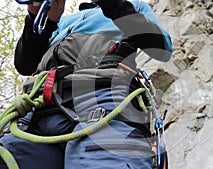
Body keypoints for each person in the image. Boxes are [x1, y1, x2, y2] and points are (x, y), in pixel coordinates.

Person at [0, 0, 172, 169]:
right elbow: (25, 64)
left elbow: (161, 48)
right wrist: (37, 15)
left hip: (101, 93)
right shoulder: (62, 20)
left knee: (102, 160)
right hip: (39, 104)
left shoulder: (134, 5)